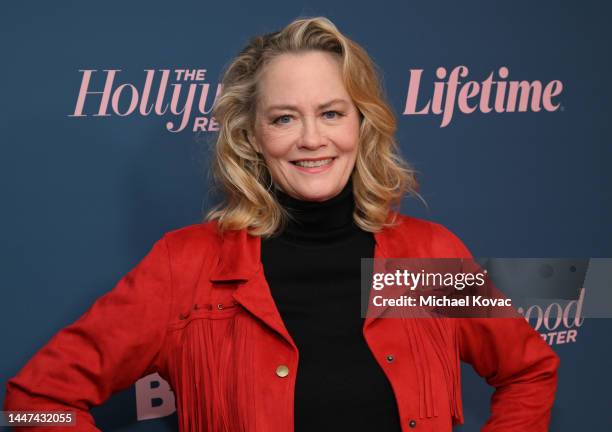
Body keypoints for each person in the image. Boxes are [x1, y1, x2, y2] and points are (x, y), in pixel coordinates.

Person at [4, 16, 559, 432]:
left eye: (332, 113)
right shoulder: (188, 266)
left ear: (362, 125)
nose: (312, 139)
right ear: (251, 136)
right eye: (284, 118)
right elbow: (33, 407)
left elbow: (528, 373)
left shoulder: (425, 258)